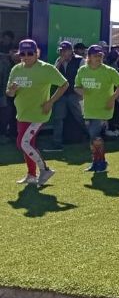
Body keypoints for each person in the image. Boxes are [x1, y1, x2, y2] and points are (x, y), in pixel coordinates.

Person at [6, 39, 68, 187]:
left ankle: (45, 169)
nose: (26, 56)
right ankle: (32, 175)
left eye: (29, 53)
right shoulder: (16, 69)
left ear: (36, 53)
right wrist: (12, 90)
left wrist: (51, 101)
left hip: (39, 114)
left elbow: (64, 84)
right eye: (22, 54)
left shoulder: (46, 69)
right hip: (22, 113)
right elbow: (9, 93)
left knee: (23, 143)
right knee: (29, 144)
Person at [74, 45, 119, 173]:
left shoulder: (108, 71)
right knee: (93, 137)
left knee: (94, 135)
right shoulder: (82, 70)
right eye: (95, 56)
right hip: (88, 108)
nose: (98, 58)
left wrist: (112, 98)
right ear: (89, 57)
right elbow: (76, 87)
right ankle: (97, 161)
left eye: (100, 56)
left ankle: (100, 162)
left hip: (103, 109)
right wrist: (81, 91)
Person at [45, 41, 87, 152]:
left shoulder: (80, 60)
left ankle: (90, 137)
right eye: (61, 50)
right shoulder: (59, 60)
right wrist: (59, 63)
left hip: (75, 94)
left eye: (65, 50)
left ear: (70, 50)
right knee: (58, 118)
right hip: (61, 94)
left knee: (80, 117)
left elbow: (84, 75)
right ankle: (56, 142)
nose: (62, 52)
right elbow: (53, 75)